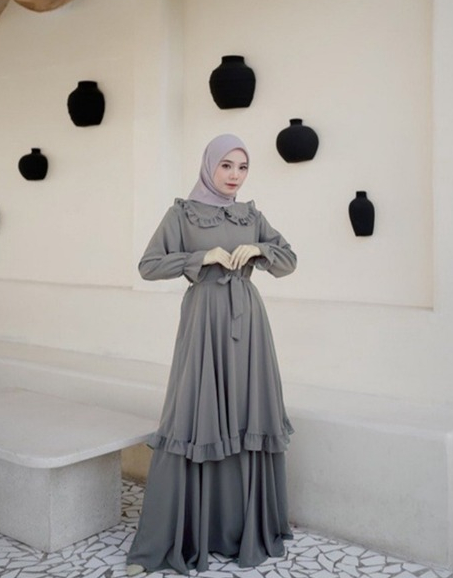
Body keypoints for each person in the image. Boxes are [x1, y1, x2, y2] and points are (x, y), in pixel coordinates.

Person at [126, 134, 297, 576]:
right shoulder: (182, 213)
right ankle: (176, 536)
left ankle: (241, 530)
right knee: (194, 415)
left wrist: (260, 249)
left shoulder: (251, 215)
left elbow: (288, 259)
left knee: (245, 414)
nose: (235, 175)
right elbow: (149, 265)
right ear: (209, 166)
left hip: (249, 324)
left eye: (242, 167)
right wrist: (202, 257)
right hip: (205, 323)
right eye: (226, 165)